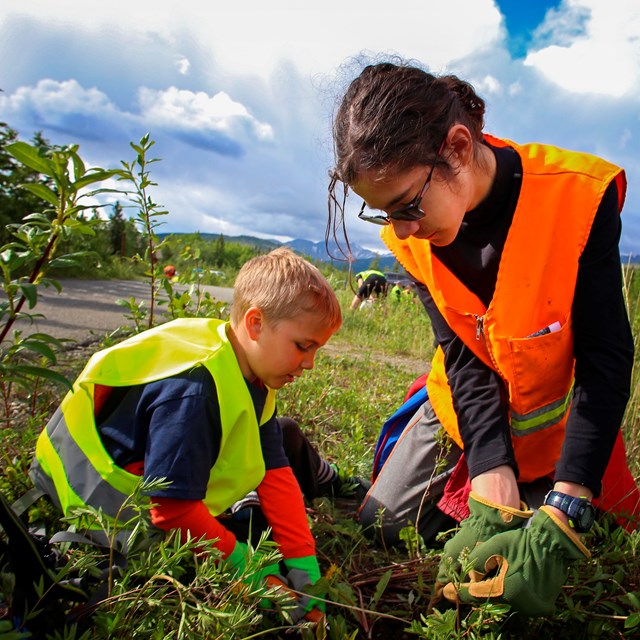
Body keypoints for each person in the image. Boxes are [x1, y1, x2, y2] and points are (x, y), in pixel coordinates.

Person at [327, 59, 636, 616]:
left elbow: (605, 361)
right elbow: (462, 358)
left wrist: (569, 500)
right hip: (464, 409)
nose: (402, 232)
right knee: (384, 526)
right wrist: (492, 467)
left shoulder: (577, 201)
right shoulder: (415, 239)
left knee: (536, 564)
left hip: (555, 425)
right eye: (385, 216)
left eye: (409, 206)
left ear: (459, 148)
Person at [30, 247, 343, 623]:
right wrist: (254, 573)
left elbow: (275, 473)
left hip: (158, 491)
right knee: (177, 578)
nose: (309, 363)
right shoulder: (194, 392)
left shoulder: (250, 364)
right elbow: (172, 511)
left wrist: (304, 566)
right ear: (255, 323)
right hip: (96, 493)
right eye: (303, 346)